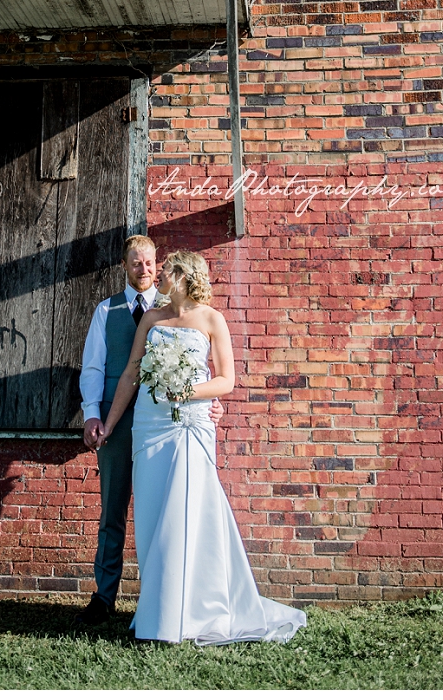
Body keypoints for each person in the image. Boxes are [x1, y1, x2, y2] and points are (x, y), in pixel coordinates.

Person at [98, 249, 307, 645]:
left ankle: (192, 612)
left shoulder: (212, 319)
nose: (158, 273)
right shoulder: (152, 319)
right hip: (149, 423)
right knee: (152, 516)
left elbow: (226, 380)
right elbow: (130, 373)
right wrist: (109, 425)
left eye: (166, 269)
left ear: (185, 275)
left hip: (189, 423)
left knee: (187, 512)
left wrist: (187, 392)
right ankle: (157, 612)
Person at [77, 236, 222, 627]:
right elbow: (95, 368)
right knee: (113, 511)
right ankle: (104, 597)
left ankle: (159, 599)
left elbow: (203, 368)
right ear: (125, 266)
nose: (145, 270)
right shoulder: (106, 311)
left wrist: (207, 400)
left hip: (166, 419)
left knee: (163, 509)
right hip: (118, 418)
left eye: (150, 262)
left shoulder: (175, 310)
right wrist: (94, 415)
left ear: (158, 264)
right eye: (136, 263)